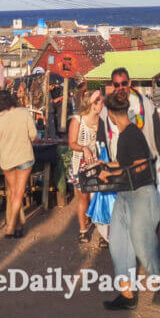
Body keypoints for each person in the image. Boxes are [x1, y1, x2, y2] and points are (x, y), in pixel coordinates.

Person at [97, 92, 160, 310]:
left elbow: (140, 165)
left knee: (143, 244)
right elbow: (127, 163)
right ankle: (127, 294)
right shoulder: (127, 133)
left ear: (110, 114)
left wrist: (112, 174)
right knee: (119, 243)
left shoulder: (132, 134)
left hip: (142, 194)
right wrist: (109, 166)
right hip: (126, 193)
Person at [0, 89, 37, 238]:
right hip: (24, 156)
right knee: (18, 193)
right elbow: (33, 135)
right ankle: (11, 226)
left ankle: (17, 227)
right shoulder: (23, 113)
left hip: (7, 159)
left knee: (13, 192)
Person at [68, 89, 102, 243]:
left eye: (101, 98)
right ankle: (83, 229)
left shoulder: (103, 119)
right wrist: (84, 148)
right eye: (97, 99)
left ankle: (102, 232)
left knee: (99, 196)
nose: (101, 101)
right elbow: (72, 143)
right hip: (80, 163)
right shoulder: (78, 120)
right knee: (84, 197)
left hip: (97, 163)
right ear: (90, 103)